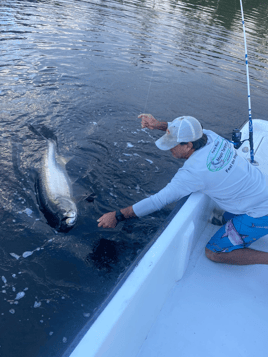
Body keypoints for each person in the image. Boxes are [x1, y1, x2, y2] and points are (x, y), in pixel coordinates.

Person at [97, 114, 268, 265]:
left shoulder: (193, 172)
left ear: (188, 146)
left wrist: (117, 215)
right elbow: (190, 129)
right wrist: (158, 125)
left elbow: (157, 201)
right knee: (223, 218)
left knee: (213, 252)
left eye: (173, 144)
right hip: (261, 190)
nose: (169, 147)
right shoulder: (211, 136)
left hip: (260, 213)